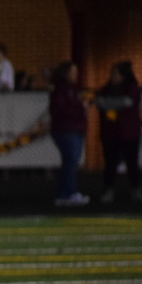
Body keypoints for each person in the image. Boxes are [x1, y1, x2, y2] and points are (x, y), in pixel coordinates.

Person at [95, 61, 141, 204]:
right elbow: (98, 102)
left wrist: (108, 103)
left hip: (129, 134)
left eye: (115, 73)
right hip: (111, 134)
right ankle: (108, 190)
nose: (112, 76)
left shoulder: (132, 88)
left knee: (132, 164)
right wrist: (111, 103)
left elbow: (127, 102)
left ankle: (136, 190)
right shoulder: (106, 88)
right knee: (110, 164)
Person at [49, 61, 89, 206]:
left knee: (70, 162)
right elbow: (60, 110)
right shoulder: (61, 90)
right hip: (66, 129)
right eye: (72, 72)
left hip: (74, 129)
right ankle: (70, 192)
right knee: (71, 160)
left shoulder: (73, 89)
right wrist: (79, 110)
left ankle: (64, 193)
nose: (75, 75)